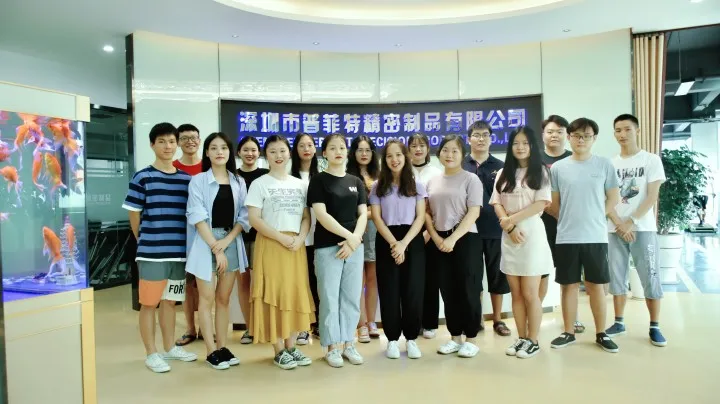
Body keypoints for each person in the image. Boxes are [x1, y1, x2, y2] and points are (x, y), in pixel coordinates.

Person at [122, 122, 197, 373]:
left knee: (170, 302)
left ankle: (169, 348)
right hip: (152, 254)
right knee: (149, 303)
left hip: (179, 254)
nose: (168, 146)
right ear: (152, 145)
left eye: (172, 141)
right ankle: (151, 353)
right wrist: (145, 240)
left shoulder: (186, 180)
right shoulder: (142, 177)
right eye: (162, 142)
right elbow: (134, 214)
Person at [548, 118, 620, 353]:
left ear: (594, 138)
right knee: (568, 286)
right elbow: (553, 204)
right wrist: (569, 219)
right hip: (566, 237)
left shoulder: (604, 165)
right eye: (577, 135)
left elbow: (614, 198)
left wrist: (597, 216)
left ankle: (601, 333)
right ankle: (568, 332)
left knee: (596, 286)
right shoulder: (558, 168)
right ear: (569, 137)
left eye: (586, 136)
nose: (581, 140)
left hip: (595, 236)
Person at [246, 135, 314, 370]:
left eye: (282, 151)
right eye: (273, 151)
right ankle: (278, 350)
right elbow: (254, 219)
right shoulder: (259, 184)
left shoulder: (300, 184)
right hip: (271, 244)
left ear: (289, 153)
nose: (278, 155)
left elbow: (306, 217)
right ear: (266, 155)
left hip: (295, 246)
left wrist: (301, 238)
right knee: (273, 295)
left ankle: (291, 346)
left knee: (294, 293)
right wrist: (280, 237)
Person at [186, 132, 249, 369]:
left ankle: (222, 347)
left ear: (229, 152)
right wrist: (216, 246)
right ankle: (211, 350)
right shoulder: (198, 180)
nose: (219, 152)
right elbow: (197, 215)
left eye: (223, 147)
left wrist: (228, 241)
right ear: (207, 153)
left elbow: (244, 216)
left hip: (230, 240)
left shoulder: (238, 181)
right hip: (206, 241)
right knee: (207, 298)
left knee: (223, 299)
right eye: (214, 148)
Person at [490, 126, 553, 359]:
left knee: (530, 293)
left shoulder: (541, 171)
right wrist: (508, 226)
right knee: (515, 294)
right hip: (509, 235)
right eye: (516, 143)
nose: (520, 147)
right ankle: (522, 337)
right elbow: (496, 202)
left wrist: (511, 221)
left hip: (531, 234)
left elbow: (541, 204)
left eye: (525, 143)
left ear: (532, 146)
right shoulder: (503, 172)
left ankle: (533, 340)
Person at [605, 114, 667, 347]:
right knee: (616, 276)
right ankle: (618, 322)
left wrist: (630, 222)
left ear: (637, 131)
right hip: (615, 229)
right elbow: (606, 199)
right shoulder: (610, 164)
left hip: (643, 228)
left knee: (650, 275)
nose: (622, 134)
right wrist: (619, 224)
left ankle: (655, 326)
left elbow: (652, 196)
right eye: (618, 130)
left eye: (627, 129)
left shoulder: (651, 160)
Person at [308, 133, 368, 368]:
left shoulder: (356, 181)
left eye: (342, 147)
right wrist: (349, 237)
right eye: (332, 148)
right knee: (329, 298)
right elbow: (321, 215)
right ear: (324, 153)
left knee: (351, 297)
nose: (338, 152)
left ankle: (349, 343)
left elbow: (363, 214)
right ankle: (332, 347)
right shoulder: (318, 181)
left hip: (354, 248)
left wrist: (354, 240)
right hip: (328, 247)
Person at [426, 134, 484, 358]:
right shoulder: (432, 181)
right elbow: (427, 214)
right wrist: (436, 237)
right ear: (439, 153)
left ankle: (471, 338)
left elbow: (474, 212)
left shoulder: (471, 179)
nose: (449, 154)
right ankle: (455, 337)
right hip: (439, 240)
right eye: (445, 150)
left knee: (468, 288)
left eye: (455, 151)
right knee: (447, 290)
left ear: (462, 154)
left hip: (466, 239)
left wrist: (452, 239)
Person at [369, 140, 427, 359]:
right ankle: (392, 340)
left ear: (406, 157)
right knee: (389, 290)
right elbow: (377, 217)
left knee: (413, 290)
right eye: (389, 156)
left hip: (412, 239)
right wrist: (395, 243)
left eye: (398, 155)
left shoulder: (417, 185)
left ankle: (411, 339)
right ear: (384, 160)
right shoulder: (377, 186)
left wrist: (404, 244)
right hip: (387, 239)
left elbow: (420, 217)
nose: (394, 160)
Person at [462, 121, 511, 337]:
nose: (481, 139)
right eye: (476, 135)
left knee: (497, 276)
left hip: (495, 229)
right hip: (468, 230)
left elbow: (507, 197)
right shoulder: (461, 165)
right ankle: (477, 318)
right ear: (469, 139)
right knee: (473, 277)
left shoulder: (501, 166)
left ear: (491, 138)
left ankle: (498, 319)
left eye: (485, 135)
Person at [539, 115, 586, 334]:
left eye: (559, 132)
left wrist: (565, 217)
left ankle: (572, 318)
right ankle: (534, 315)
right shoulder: (534, 159)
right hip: (541, 224)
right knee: (540, 272)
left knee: (570, 274)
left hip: (570, 226)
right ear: (543, 135)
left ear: (566, 135)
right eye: (550, 131)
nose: (554, 135)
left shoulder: (574, 157)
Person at [347, 135, 381, 342]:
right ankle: (360, 325)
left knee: (373, 279)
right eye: (360, 150)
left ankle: (371, 321)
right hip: (355, 231)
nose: (364, 154)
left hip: (377, 231)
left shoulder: (380, 175)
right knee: (357, 280)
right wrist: (371, 213)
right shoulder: (347, 175)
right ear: (353, 153)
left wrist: (372, 214)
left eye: (368, 150)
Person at [173, 124, 204, 347]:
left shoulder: (208, 167)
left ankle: (206, 327)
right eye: (184, 138)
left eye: (193, 137)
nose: (190, 141)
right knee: (187, 285)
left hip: (206, 234)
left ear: (199, 140)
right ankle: (191, 329)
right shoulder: (173, 167)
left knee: (206, 285)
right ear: (178, 142)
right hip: (181, 235)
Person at [236, 136, 269, 345]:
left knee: (262, 283)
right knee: (243, 283)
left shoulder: (266, 175)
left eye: (253, 150)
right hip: (238, 236)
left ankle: (263, 325)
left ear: (259, 153)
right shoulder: (232, 176)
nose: (250, 153)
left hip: (262, 236)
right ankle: (249, 327)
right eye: (246, 150)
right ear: (239, 152)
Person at [409, 133, 442, 339]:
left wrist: (429, 233)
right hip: (408, 233)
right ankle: (413, 322)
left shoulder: (437, 173)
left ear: (428, 149)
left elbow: (437, 206)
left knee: (431, 279)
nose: (418, 149)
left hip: (432, 233)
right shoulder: (403, 172)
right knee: (411, 280)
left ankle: (430, 323)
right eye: (413, 146)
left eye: (422, 145)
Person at [291, 133, 321, 344]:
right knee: (301, 281)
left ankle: (318, 322)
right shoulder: (289, 177)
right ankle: (302, 326)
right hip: (298, 237)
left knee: (318, 281)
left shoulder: (322, 176)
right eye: (302, 145)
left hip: (320, 236)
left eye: (310, 145)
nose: (306, 149)